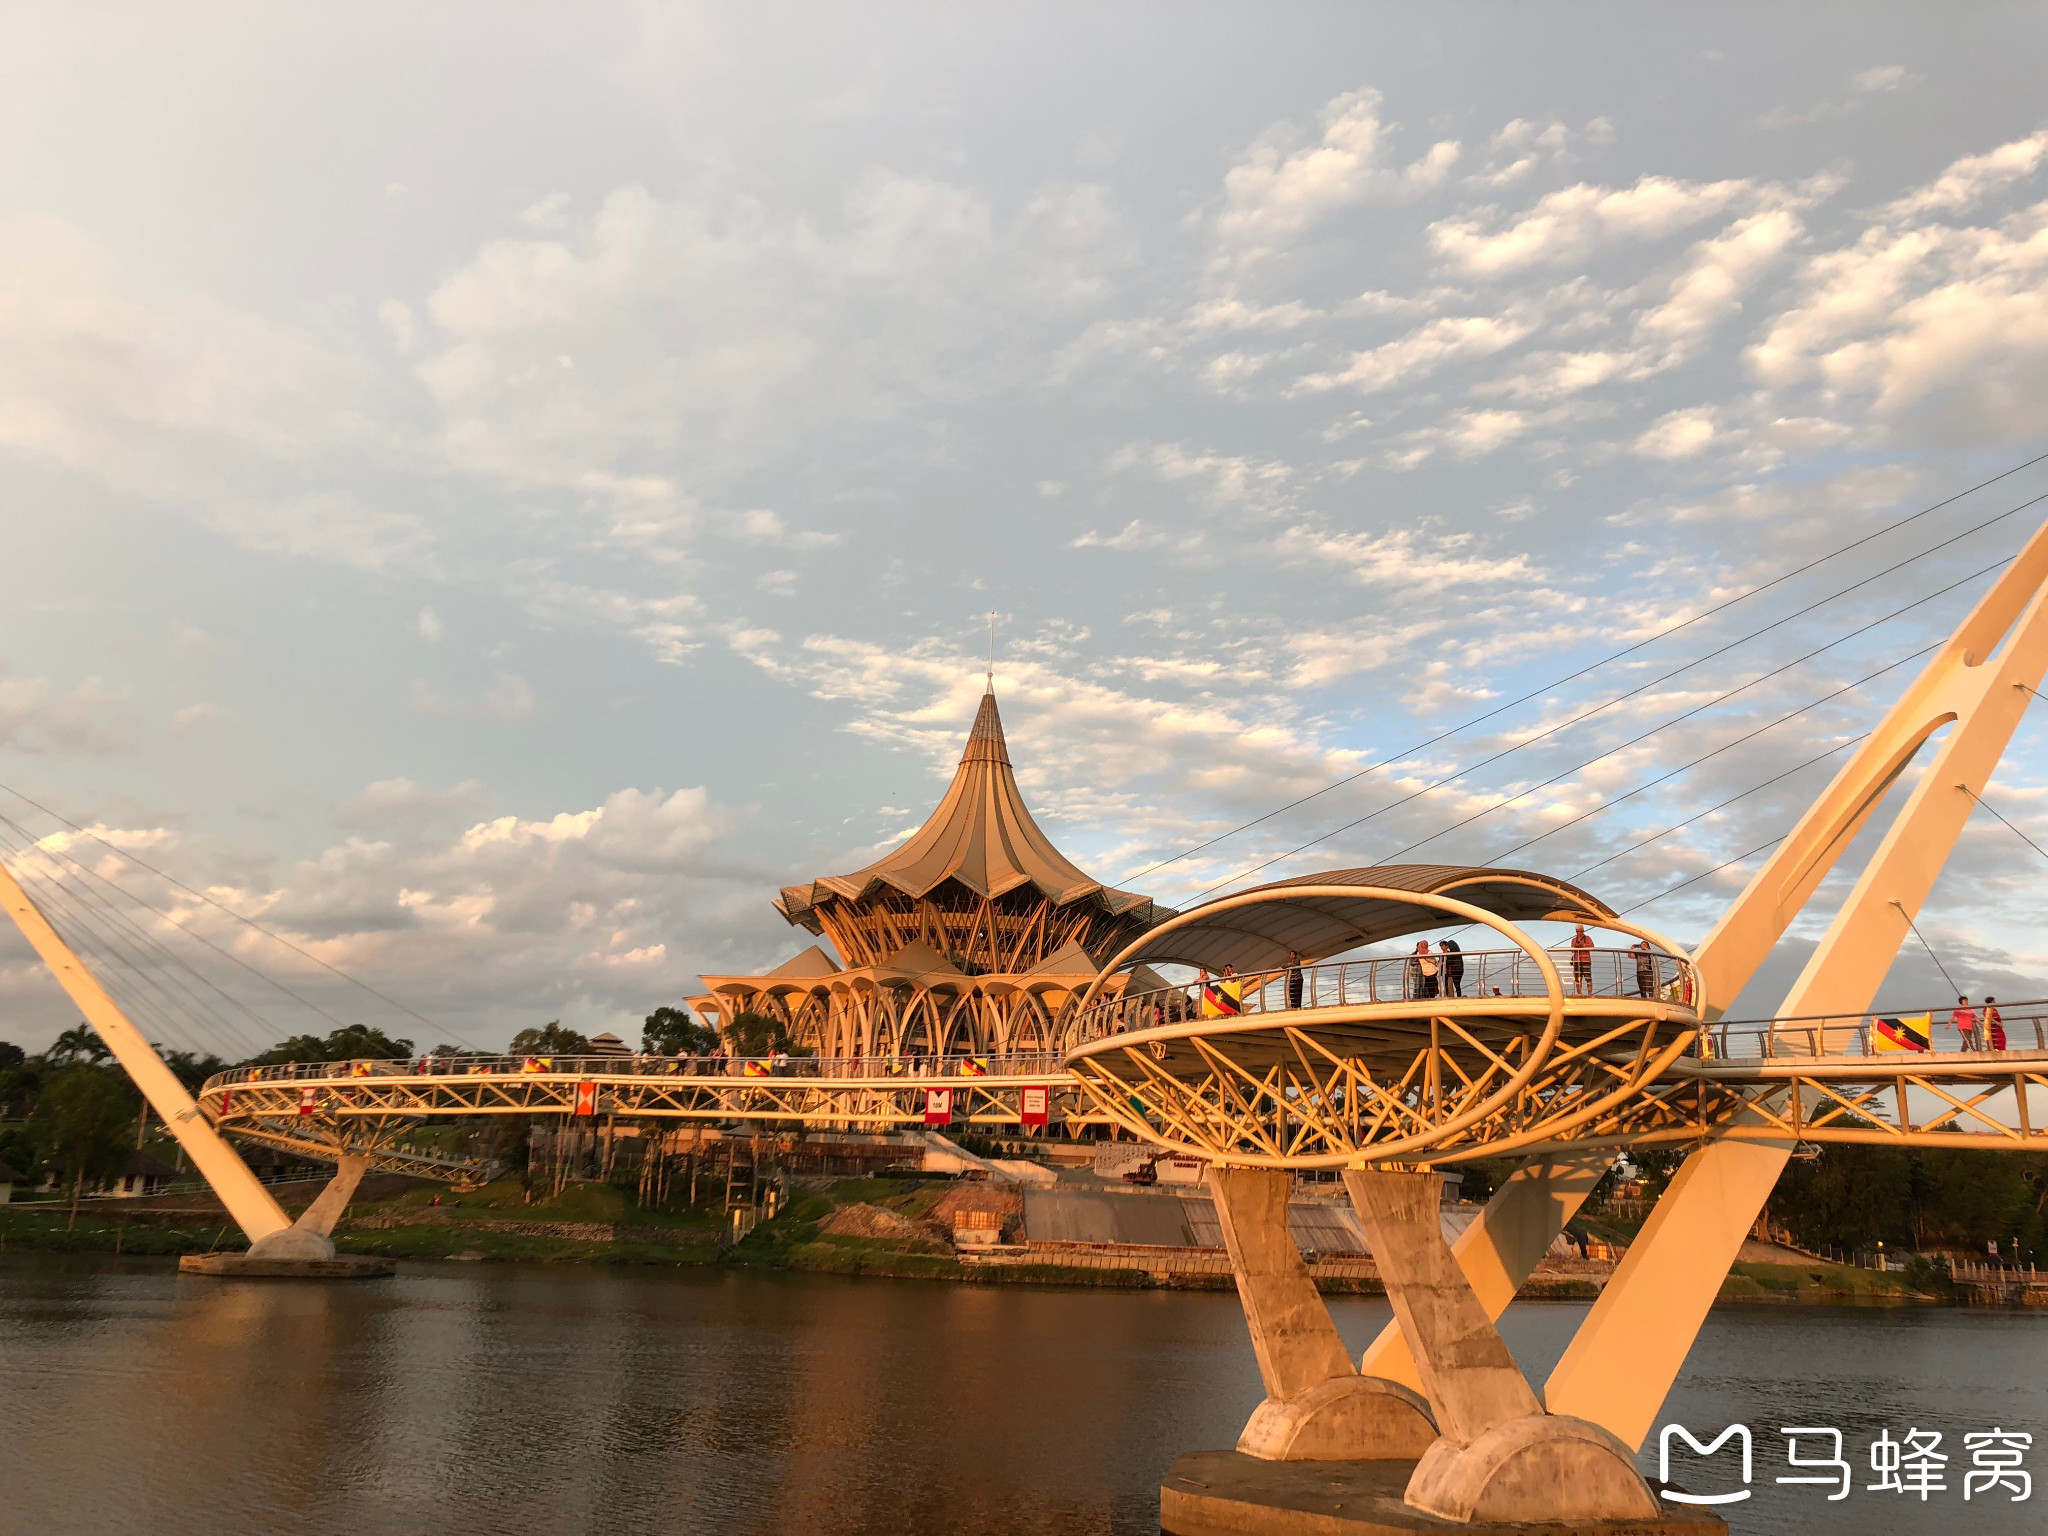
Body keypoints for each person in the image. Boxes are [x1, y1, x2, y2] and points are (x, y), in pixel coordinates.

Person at [1568, 924, 1595, 997]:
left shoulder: (1587, 938)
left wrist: (1583, 945)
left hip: (1586, 960)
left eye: (1580, 931)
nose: (1579, 933)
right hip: (1577, 961)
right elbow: (1572, 949)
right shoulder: (1574, 940)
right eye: (1577, 931)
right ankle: (1579, 993)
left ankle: (1589, 994)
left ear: (1583, 931)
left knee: (1588, 977)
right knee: (1577, 978)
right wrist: (1577, 946)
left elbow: (1592, 946)